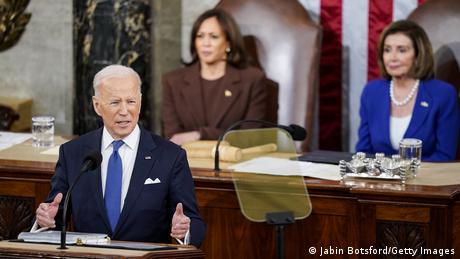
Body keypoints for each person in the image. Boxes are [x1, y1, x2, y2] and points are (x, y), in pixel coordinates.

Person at [34, 65, 206, 246]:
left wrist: (185, 230)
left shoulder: (170, 156)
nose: (124, 111)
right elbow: (54, 213)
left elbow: (194, 222)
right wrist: (45, 221)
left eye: (131, 101)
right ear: (97, 105)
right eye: (115, 102)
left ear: (140, 102)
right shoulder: (72, 153)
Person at [356, 20, 459, 161]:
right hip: (379, 180)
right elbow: (363, 152)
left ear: (418, 55)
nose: (392, 58)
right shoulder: (372, 92)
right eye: (387, 50)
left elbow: (444, 156)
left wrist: (403, 172)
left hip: (424, 180)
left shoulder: (443, 94)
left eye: (401, 50)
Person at [162, 8, 267, 145]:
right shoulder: (172, 81)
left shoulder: (252, 79)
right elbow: (174, 138)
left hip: (233, 162)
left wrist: (200, 135)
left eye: (213, 37)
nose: (205, 43)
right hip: (188, 162)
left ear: (228, 43)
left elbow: (250, 137)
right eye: (200, 36)